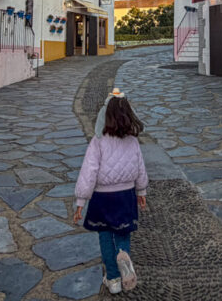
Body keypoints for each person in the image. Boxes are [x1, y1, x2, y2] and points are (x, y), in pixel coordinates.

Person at [74, 92, 148, 294]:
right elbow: (140, 167)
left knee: (105, 235)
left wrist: (80, 201)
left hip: (103, 198)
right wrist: (141, 191)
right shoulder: (132, 141)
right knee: (123, 232)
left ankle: (113, 279)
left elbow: (89, 172)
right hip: (126, 196)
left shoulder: (98, 142)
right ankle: (124, 254)